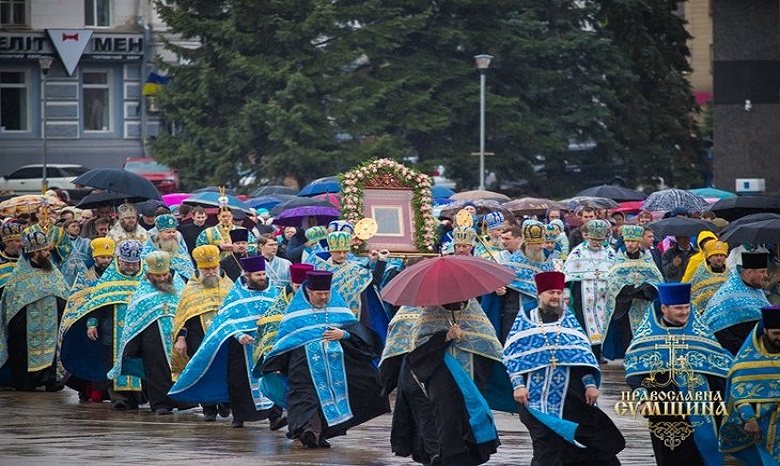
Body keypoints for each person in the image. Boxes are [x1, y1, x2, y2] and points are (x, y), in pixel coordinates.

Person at [503, 271, 625, 465]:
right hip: (535, 400)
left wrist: (590, 385)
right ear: (540, 294)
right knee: (546, 449)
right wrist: (518, 386)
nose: (556, 297)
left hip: (571, 398)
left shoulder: (568, 319)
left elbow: (582, 357)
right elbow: (513, 356)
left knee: (582, 448)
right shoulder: (526, 319)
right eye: (551, 292)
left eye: (559, 293)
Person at [259, 270, 390, 448]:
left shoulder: (338, 307)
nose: (323, 298)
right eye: (319, 294)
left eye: (326, 294)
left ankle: (319, 434)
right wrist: (276, 364)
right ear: (309, 293)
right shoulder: (294, 313)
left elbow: (362, 335)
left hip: (338, 363)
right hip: (302, 364)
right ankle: (310, 432)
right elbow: (283, 342)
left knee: (366, 384)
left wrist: (343, 334)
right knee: (306, 397)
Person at [170, 255, 286, 429]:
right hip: (241, 346)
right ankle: (239, 417)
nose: (262, 278)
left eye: (263, 274)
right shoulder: (237, 293)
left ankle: (274, 417)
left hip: (266, 346)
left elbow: (280, 317)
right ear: (247, 275)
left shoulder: (274, 292)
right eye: (258, 275)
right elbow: (226, 320)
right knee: (239, 382)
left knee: (270, 378)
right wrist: (239, 335)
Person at [624, 282, 733, 465]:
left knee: (703, 451)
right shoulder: (647, 336)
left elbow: (720, 363)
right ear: (664, 308)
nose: (684, 312)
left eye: (686, 307)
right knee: (669, 456)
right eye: (678, 308)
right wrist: (644, 399)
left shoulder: (699, 332)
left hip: (701, 403)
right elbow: (635, 372)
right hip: (663, 407)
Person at [403, 297, 502, 465]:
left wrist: (465, 336)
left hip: (472, 379)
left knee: (471, 420)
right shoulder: (429, 315)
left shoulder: (475, 313)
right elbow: (417, 353)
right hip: (441, 381)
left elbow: (491, 344)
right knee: (447, 423)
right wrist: (445, 336)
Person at [59, 240, 145, 410]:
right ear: (119, 261)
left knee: (135, 361)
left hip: (137, 332)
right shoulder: (108, 280)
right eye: (126, 263)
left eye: (133, 263)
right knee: (112, 363)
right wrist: (92, 324)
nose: (130, 267)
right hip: (110, 331)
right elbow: (96, 305)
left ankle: (135, 396)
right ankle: (118, 397)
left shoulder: (144, 280)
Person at [107, 251, 189, 414]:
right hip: (151, 337)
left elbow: (186, 310)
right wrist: (132, 344)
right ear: (150, 274)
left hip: (176, 336)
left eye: (164, 275)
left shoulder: (179, 289)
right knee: (155, 370)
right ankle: (160, 404)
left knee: (180, 367)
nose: (161, 279)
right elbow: (134, 320)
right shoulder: (142, 293)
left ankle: (182, 401)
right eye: (157, 276)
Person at [0, 230, 69, 391]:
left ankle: (50, 380)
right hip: (26, 330)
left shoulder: (53, 271)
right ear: (34, 252)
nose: (48, 253)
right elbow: (11, 304)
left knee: (52, 352)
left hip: (51, 326)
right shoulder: (19, 277)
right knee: (22, 351)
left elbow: (64, 293)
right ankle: (27, 382)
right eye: (44, 250)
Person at [170, 245, 233, 421]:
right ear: (199, 268)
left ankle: (225, 402)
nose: (211, 272)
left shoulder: (229, 285)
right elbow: (183, 316)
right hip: (198, 336)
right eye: (206, 269)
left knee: (224, 370)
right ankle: (209, 408)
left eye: (213, 268)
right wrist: (181, 338)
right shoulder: (191, 288)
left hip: (224, 336)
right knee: (202, 370)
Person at [378, 304, 440, 465]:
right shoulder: (447, 313)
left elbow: (392, 350)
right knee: (425, 412)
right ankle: (434, 452)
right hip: (417, 373)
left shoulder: (404, 314)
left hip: (421, 373)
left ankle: (429, 452)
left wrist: (386, 379)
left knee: (423, 414)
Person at [719, 305, 780, 463]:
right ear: (765, 331)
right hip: (763, 424)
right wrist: (749, 419)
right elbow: (739, 394)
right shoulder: (747, 360)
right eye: (776, 334)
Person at [602, 225, 664, 360]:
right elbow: (613, 281)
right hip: (625, 304)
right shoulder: (618, 260)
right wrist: (628, 290)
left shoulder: (647, 259)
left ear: (638, 242)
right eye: (627, 241)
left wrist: (645, 289)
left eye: (633, 241)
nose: (630, 244)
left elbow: (656, 279)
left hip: (643, 302)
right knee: (625, 332)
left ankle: (645, 355)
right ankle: (629, 357)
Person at [563, 219, 617, 362]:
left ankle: (599, 353)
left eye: (600, 240)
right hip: (583, 294)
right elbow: (567, 276)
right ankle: (586, 351)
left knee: (601, 322)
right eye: (594, 239)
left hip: (603, 294)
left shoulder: (609, 252)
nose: (597, 243)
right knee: (585, 322)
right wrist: (567, 294)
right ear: (588, 237)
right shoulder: (578, 252)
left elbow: (616, 273)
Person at [702, 252, 770, 355]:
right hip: (733, 352)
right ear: (749, 273)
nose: (766, 276)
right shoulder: (728, 294)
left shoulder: (757, 291)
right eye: (762, 272)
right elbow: (719, 330)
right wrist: (747, 350)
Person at [499, 222, 555, 343]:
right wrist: (500, 290)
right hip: (516, 311)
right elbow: (502, 289)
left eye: (542, 242)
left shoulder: (546, 260)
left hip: (541, 311)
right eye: (538, 244)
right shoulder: (513, 263)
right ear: (527, 244)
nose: (541, 246)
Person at [253, 263, 313, 366]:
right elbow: (271, 332)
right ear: (291, 283)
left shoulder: (319, 301)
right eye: (298, 287)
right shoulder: (281, 304)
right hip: (287, 357)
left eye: (306, 287)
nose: (302, 291)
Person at [142, 214, 195, 281]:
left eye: (174, 232)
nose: (172, 234)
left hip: (179, 284)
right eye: (168, 232)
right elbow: (144, 267)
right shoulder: (149, 247)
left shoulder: (178, 247)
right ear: (159, 233)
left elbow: (187, 267)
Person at [689, 240, 729, 311]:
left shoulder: (729, 275)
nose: (719, 258)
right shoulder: (700, 274)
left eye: (721, 255)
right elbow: (693, 295)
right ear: (709, 258)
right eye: (716, 255)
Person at [0, 222, 23, 290]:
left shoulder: (28, 258)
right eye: (17, 241)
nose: (21, 244)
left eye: (21, 240)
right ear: (7, 243)